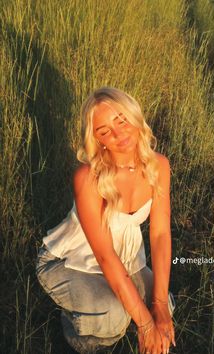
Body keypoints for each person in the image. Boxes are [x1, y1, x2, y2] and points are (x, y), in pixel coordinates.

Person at [36, 87, 176, 354]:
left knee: (164, 306)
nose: (118, 133)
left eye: (121, 120)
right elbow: (104, 255)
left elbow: (159, 234)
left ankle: (115, 313)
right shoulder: (88, 177)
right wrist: (145, 326)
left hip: (125, 256)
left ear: (134, 115)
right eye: (104, 131)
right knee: (115, 318)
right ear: (97, 140)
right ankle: (70, 326)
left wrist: (157, 306)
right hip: (70, 260)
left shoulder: (159, 165)